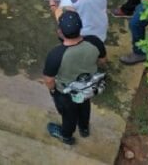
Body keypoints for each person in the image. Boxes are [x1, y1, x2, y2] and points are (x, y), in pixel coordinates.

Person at [42, 11, 103, 145]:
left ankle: (66, 136)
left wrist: (53, 91)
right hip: (87, 87)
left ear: (60, 32)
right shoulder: (94, 41)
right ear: (81, 27)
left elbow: (49, 80)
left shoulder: (56, 54)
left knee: (69, 114)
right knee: (84, 105)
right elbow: (103, 60)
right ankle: (84, 129)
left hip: (66, 92)